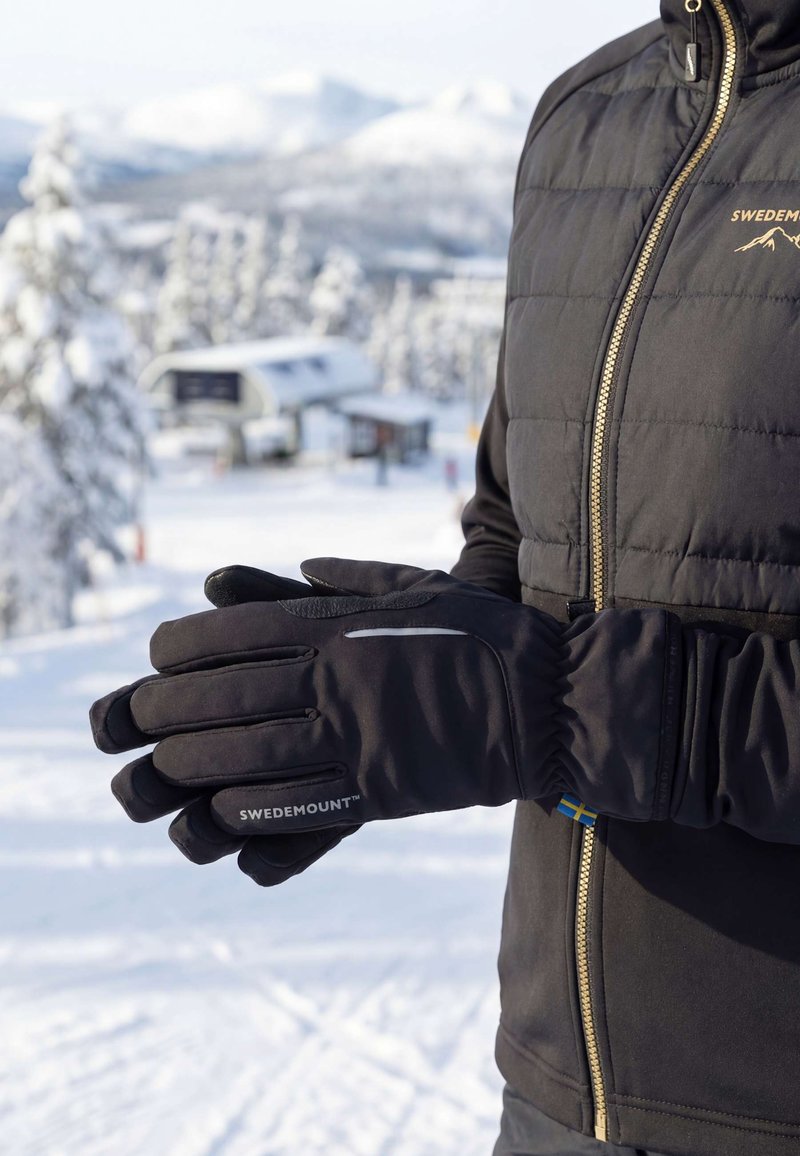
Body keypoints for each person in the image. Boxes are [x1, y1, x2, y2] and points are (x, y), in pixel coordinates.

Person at [90, 1, 800, 1152]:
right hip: (557, 1088)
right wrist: (428, 658)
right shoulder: (586, 117)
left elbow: (560, 701)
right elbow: (518, 526)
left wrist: (558, 710)